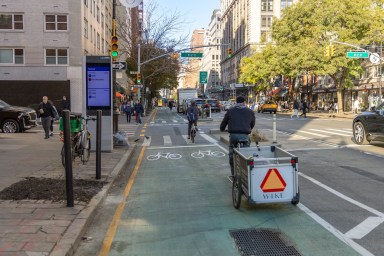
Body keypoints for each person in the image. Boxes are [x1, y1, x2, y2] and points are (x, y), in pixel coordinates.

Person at [220, 96, 255, 176]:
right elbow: (252, 123)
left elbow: (224, 121)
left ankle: (233, 173)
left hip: (233, 135)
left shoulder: (230, 111)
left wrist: (222, 129)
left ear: (236, 102)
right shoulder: (250, 111)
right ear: (244, 102)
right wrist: (248, 129)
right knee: (247, 154)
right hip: (245, 135)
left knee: (232, 151)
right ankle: (247, 173)